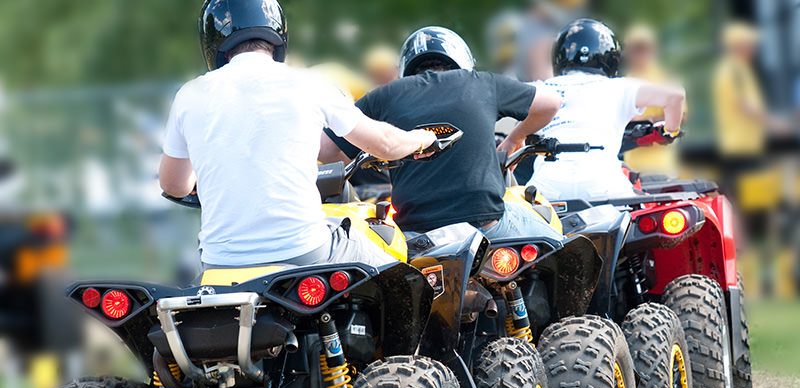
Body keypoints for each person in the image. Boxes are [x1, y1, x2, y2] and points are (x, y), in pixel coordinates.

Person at [159, 0, 436, 270]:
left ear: (211, 39)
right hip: (304, 252)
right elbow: (385, 144)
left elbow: (173, 185)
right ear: (277, 31)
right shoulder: (308, 82)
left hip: (219, 262)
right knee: (398, 273)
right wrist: (422, 138)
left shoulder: (188, 95)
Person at [320, 26, 562, 240]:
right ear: (462, 60)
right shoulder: (482, 82)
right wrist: (514, 138)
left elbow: (327, 148)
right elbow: (550, 103)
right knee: (556, 243)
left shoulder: (386, 94)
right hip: (487, 226)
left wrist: (371, 157)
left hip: (416, 234)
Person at [524, 18, 686, 201]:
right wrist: (669, 131)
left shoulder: (540, 88)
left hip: (547, 189)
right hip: (604, 186)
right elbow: (676, 95)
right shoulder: (620, 87)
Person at [622, 24, 686, 175]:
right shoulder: (624, 82)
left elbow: (682, 115)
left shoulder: (666, 78)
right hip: (630, 167)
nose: (638, 54)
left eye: (642, 48)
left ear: (653, 50)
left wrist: (647, 121)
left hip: (660, 165)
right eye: (634, 49)